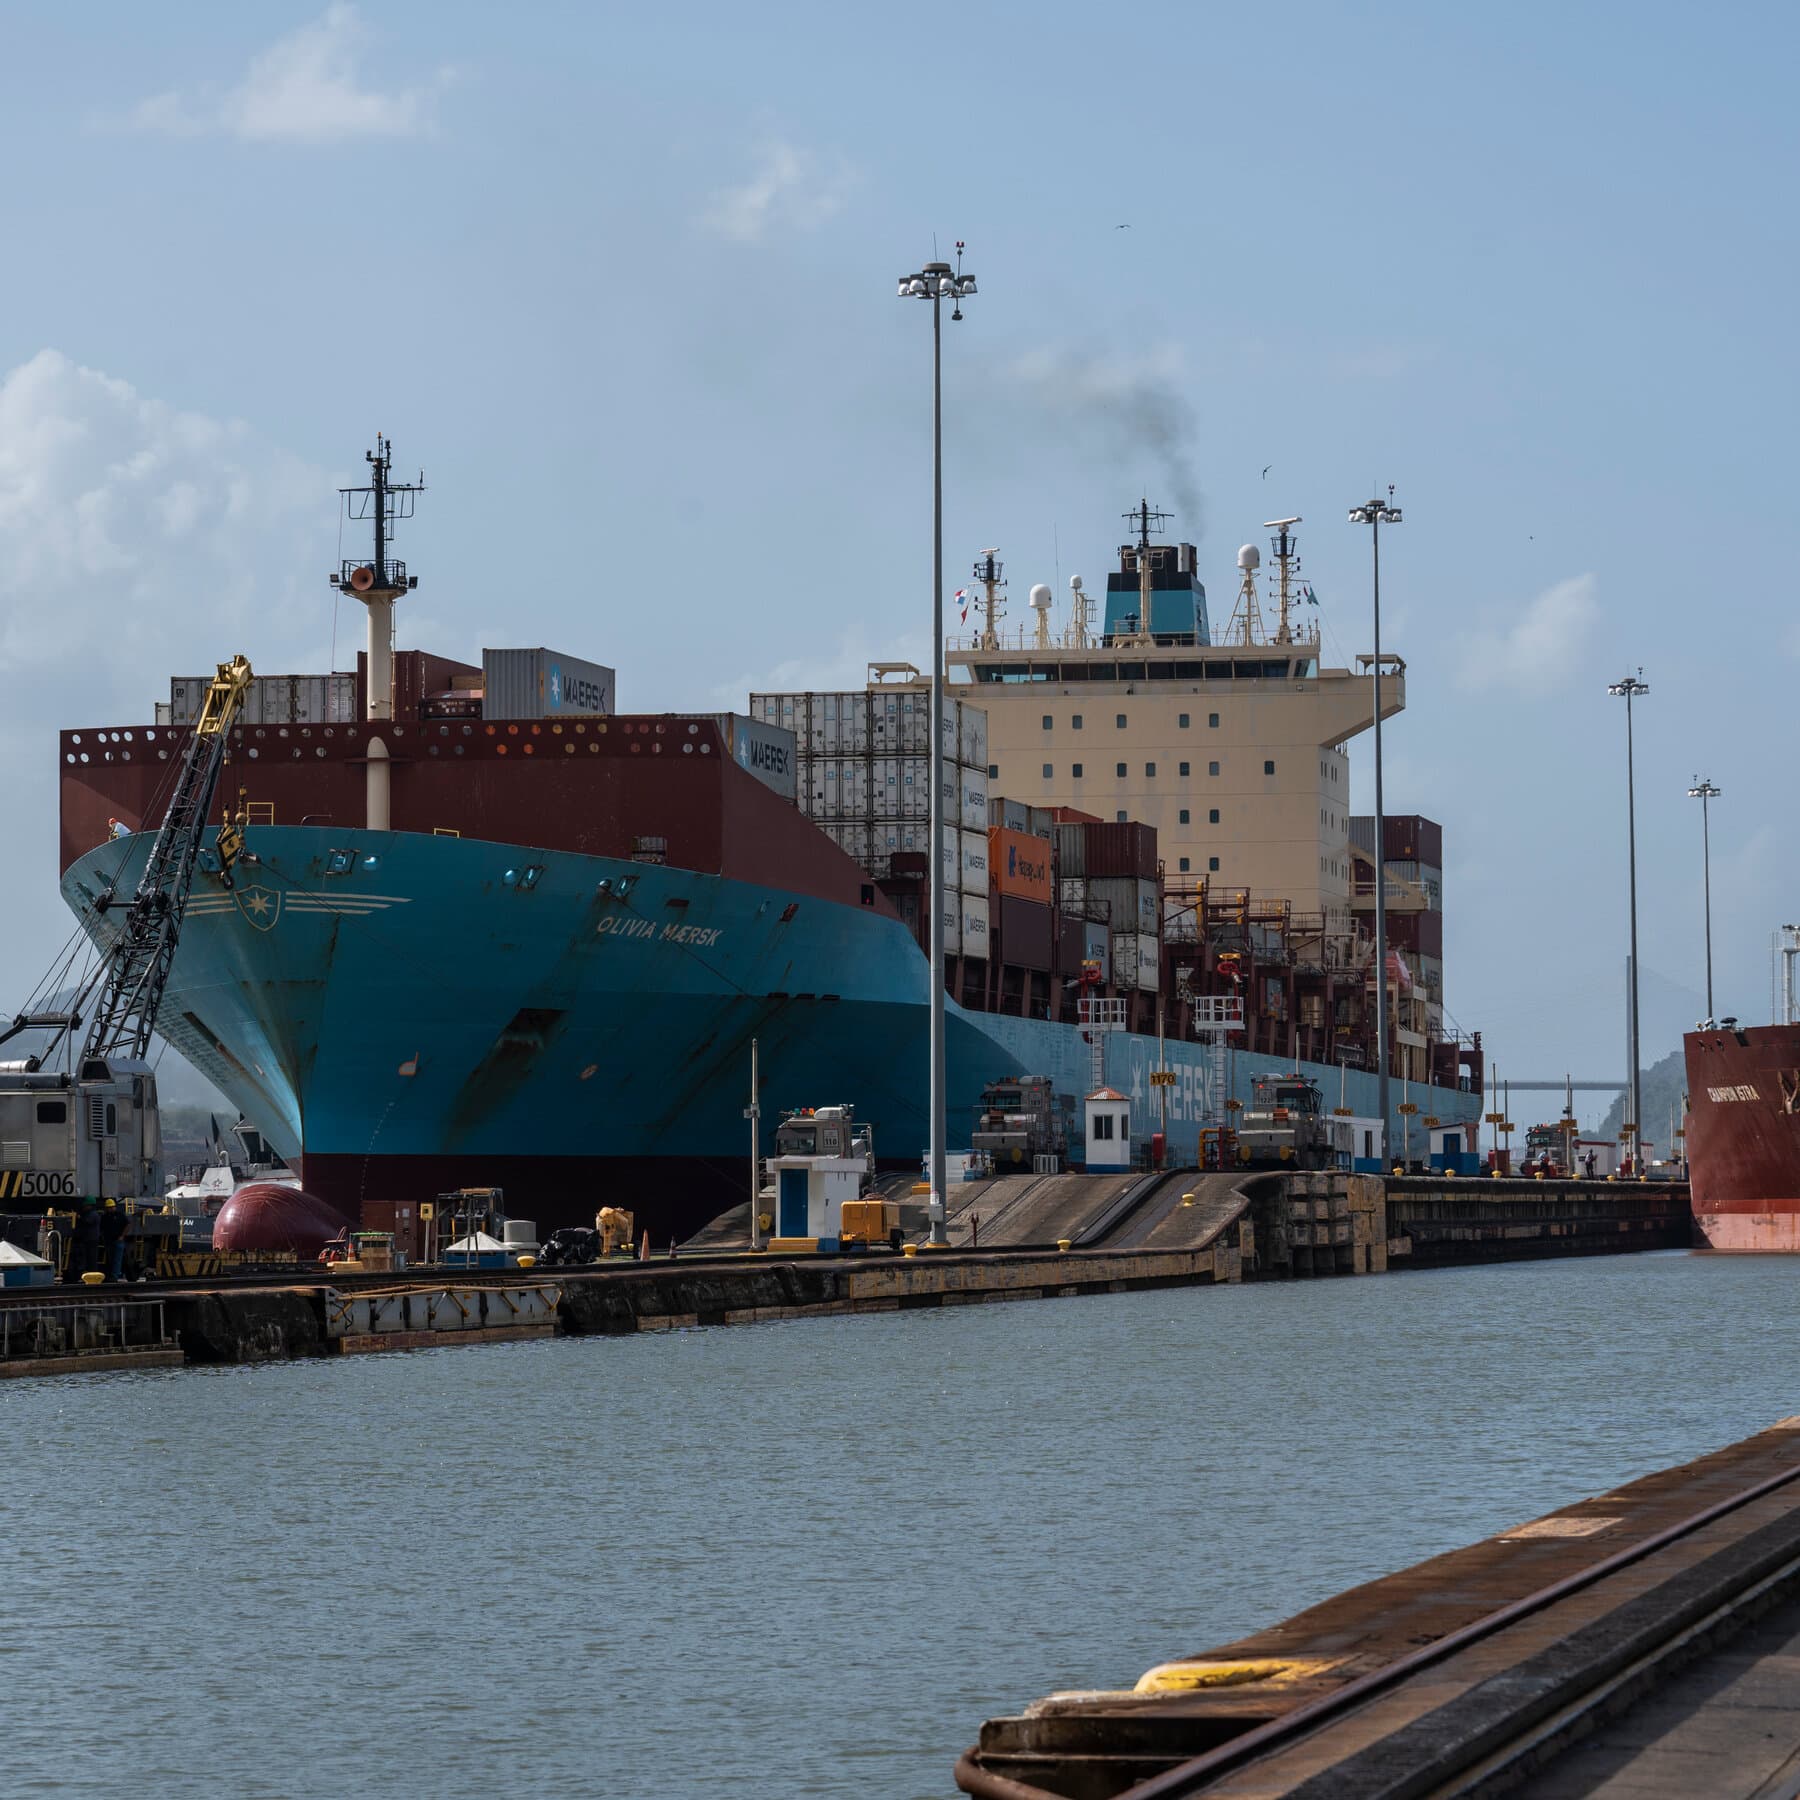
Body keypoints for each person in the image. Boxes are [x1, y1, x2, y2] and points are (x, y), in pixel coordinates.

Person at [100, 1200, 128, 1281]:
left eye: (112, 1207)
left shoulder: (120, 1215)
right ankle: (110, 1275)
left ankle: (115, 1276)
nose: (111, 1209)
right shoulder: (105, 1217)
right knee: (110, 1259)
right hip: (109, 1241)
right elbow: (102, 1228)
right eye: (109, 1208)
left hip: (118, 1240)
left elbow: (128, 1224)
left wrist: (122, 1236)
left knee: (117, 1259)